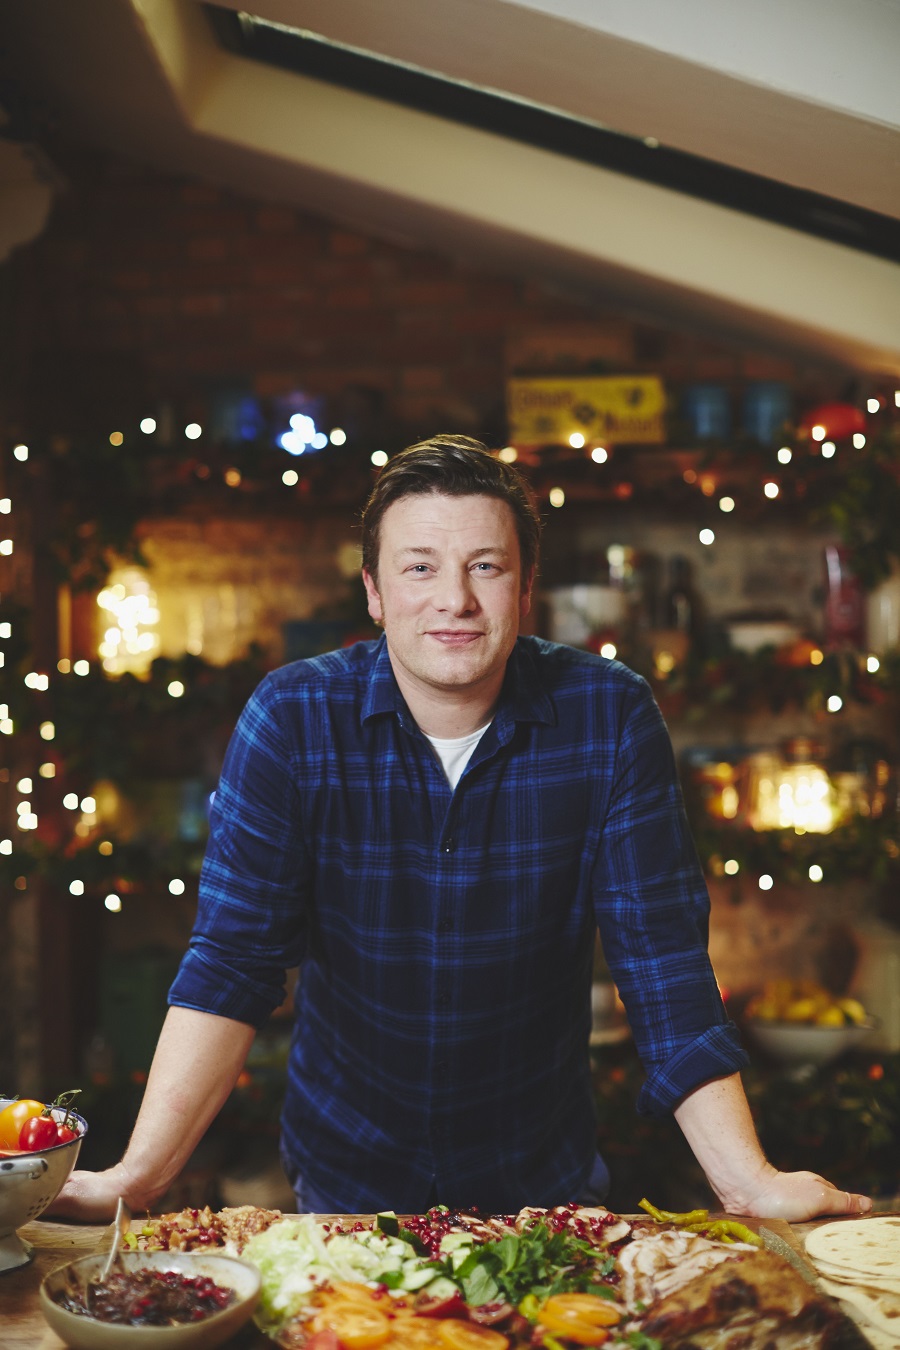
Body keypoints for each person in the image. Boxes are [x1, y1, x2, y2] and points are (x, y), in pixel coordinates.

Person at [51, 435, 871, 1223]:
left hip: (541, 1182)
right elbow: (233, 962)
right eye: (420, 567)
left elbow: (662, 963)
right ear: (374, 592)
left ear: (525, 587)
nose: (456, 600)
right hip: (345, 1180)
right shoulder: (292, 718)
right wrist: (137, 1177)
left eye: (486, 566)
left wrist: (747, 1182)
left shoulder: (610, 714)